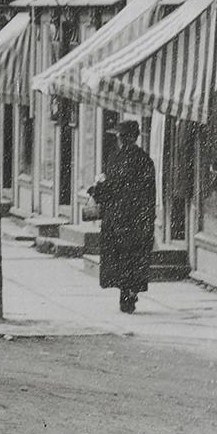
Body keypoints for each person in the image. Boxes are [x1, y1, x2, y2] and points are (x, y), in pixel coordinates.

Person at [89, 119, 156, 314]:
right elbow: (151, 192)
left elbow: (109, 189)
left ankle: (125, 292)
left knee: (120, 256)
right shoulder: (145, 160)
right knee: (135, 257)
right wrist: (149, 217)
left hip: (117, 217)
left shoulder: (115, 159)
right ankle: (131, 290)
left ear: (121, 138)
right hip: (139, 218)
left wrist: (96, 189)